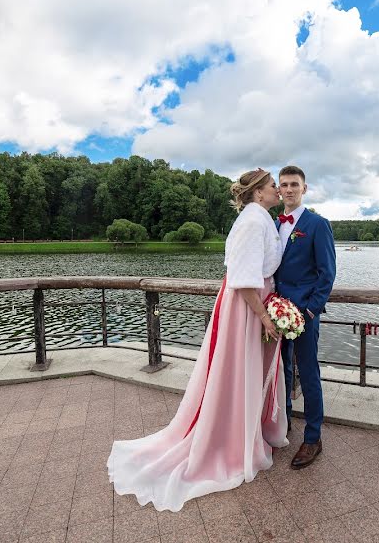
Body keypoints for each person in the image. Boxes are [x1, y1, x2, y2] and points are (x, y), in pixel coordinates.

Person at [107, 168, 288, 512]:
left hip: (253, 300)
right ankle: (229, 441)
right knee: (237, 370)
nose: (278, 190)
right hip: (247, 305)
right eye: (272, 186)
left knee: (243, 371)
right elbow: (243, 280)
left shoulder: (260, 217)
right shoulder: (253, 221)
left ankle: (241, 433)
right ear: (258, 193)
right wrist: (264, 315)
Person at [275, 165, 336, 469]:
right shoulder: (273, 224)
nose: (288, 189)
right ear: (278, 189)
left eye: (294, 184)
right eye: (284, 184)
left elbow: (328, 274)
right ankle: (283, 423)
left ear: (304, 188)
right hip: (275, 312)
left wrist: (311, 309)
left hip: (305, 315)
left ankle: (313, 438)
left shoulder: (317, 224)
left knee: (308, 373)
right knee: (281, 369)